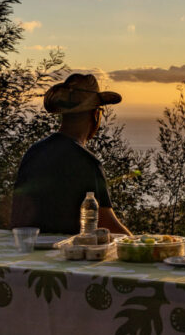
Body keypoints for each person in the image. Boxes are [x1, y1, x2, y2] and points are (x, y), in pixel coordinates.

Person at [10, 73, 131, 236]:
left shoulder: (34, 152)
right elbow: (107, 225)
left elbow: (17, 216)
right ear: (96, 114)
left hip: (28, 247)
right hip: (68, 250)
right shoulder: (87, 162)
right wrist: (137, 244)